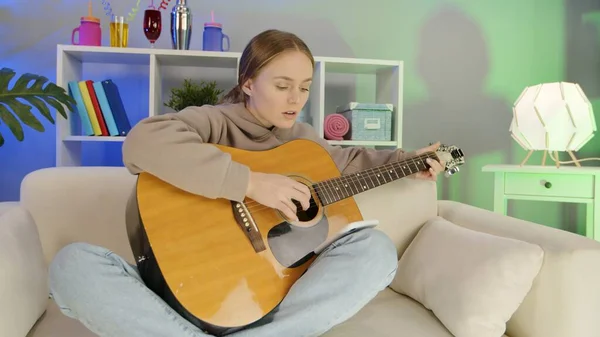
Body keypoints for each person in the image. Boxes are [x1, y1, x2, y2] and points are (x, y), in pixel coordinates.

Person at [48, 29, 445, 337]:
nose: (297, 98)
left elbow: (359, 162)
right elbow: (142, 141)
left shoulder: (304, 142)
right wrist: (251, 184)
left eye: (305, 87)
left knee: (376, 251)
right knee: (71, 265)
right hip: (170, 291)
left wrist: (412, 161)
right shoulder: (215, 121)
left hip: (265, 300)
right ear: (249, 83)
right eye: (283, 84)